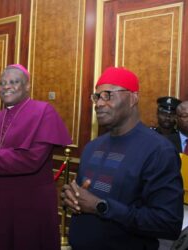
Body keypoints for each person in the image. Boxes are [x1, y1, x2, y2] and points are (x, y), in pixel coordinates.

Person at [61, 67, 183, 250]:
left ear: (133, 98)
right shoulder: (92, 147)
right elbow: (83, 197)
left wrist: (101, 206)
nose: (99, 104)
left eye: (108, 95)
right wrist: (71, 198)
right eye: (97, 97)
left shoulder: (158, 150)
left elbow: (167, 223)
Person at [0, 64, 72, 250]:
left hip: (32, 205)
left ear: (27, 86)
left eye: (13, 82)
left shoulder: (44, 112)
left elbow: (31, 160)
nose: (6, 86)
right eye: (2, 83)